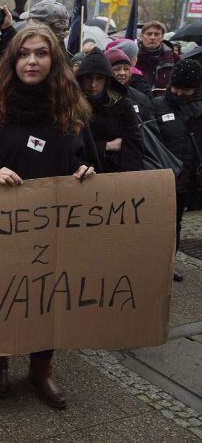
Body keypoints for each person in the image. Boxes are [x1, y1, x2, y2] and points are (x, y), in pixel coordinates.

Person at [0, 24, 96, 410]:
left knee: (48, 298)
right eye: (24, 53)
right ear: (12, 61)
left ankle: (41, 369)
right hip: (1, 227)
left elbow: (87, 160)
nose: (32, 60)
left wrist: (85, 172)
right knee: (3, 292)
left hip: (53, 226)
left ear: (55, 61)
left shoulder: (72, 111)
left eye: (41, 53)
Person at [146, 59, 202, 282]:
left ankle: (169, 263)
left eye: (185, 89)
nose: (178, 93)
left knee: (175, 224)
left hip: (187, 178)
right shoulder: (156, 105)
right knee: (155, 224)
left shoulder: (198, 108)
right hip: (162, 176)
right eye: (176, 87)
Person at [75, 49, 143, 173]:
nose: (93, 84)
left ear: (107, 80)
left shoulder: (122, 105)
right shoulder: (73, 107)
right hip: (85, 176)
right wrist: (106, 146)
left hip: (118, 176)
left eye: (99, 78)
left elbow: (133, 146)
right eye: (88, 78)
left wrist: (126, 178)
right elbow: (73, 147)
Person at [106, 47, 154, 121]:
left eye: (126, 69)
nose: (122, 73)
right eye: (116, 69)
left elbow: (150, 127)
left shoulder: (141, 99)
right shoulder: (97, 97)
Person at [136, 21, 179, 94]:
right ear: (141, 36)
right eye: (149, 34)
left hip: (165, 101)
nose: (152, 37)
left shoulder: (174, 58)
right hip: (139, 100)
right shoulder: (133, 57)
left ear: (162, 37)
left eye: (157, 34)